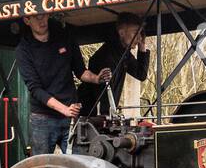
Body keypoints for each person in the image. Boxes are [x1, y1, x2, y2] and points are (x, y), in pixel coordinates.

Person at [16, 12, 110, 155]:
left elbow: (81, 71)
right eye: (36, 17)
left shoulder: (65, 37)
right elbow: (35, 89)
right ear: (27, 20)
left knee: (78, 164)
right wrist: (64, 109)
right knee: (42, 167)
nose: (42, 21)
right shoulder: (23, 49)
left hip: (69, 116)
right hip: (43, 118)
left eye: (44, 15)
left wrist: (96, 78)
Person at [79, 13, 151, 117]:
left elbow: (141, 74)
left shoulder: (123, 53)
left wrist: (142, 46)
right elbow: (103, 91)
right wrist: (108, 116)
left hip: (101, 113)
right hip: (89, 113)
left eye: (141, 34)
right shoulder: (107, 55)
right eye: (135, 33)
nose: (139, 38)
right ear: (121, 33)